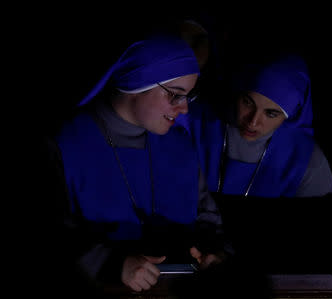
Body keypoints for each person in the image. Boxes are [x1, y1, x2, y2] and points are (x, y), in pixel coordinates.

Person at [50, 31, 231, 294]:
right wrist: (110, 263)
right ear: (138, 82)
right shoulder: (62, 143)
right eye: (175, 95)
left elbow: (208, 220)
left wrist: (215, 254)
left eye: (188, 96)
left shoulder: (180, 144)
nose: (184, 110)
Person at [181, 53, 332, 198]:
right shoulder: (194, 122)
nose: (253, 122)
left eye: (271, 114)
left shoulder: (307, 161)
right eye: (248, 103)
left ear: (291, 114)